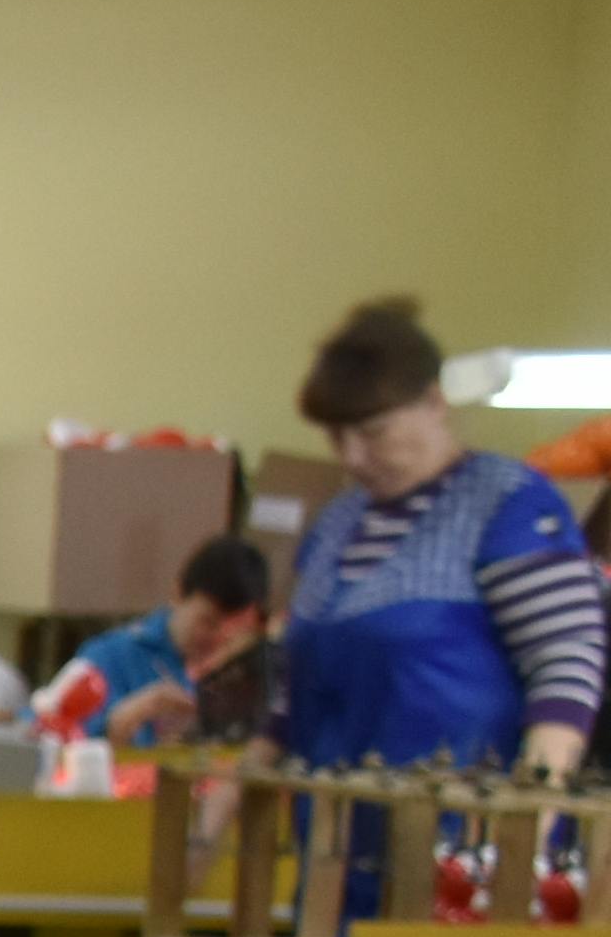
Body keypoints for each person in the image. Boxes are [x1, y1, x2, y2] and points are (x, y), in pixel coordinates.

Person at [279, 295, 597, 818]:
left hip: (458, 843)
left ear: (433, 402)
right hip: (334, 844)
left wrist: (536, 821)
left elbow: (565, 663)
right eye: (337, 436)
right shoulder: (337, 524)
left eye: (374, 433)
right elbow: (292, 690)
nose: (353, 457)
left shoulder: (507, 505)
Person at [32, 533, 270, 761]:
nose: (218, 639)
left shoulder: (241, 676)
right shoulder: (109, 656)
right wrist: (127, 717)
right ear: (178, 594)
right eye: (208, 622)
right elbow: (42, 738)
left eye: (234, 633)